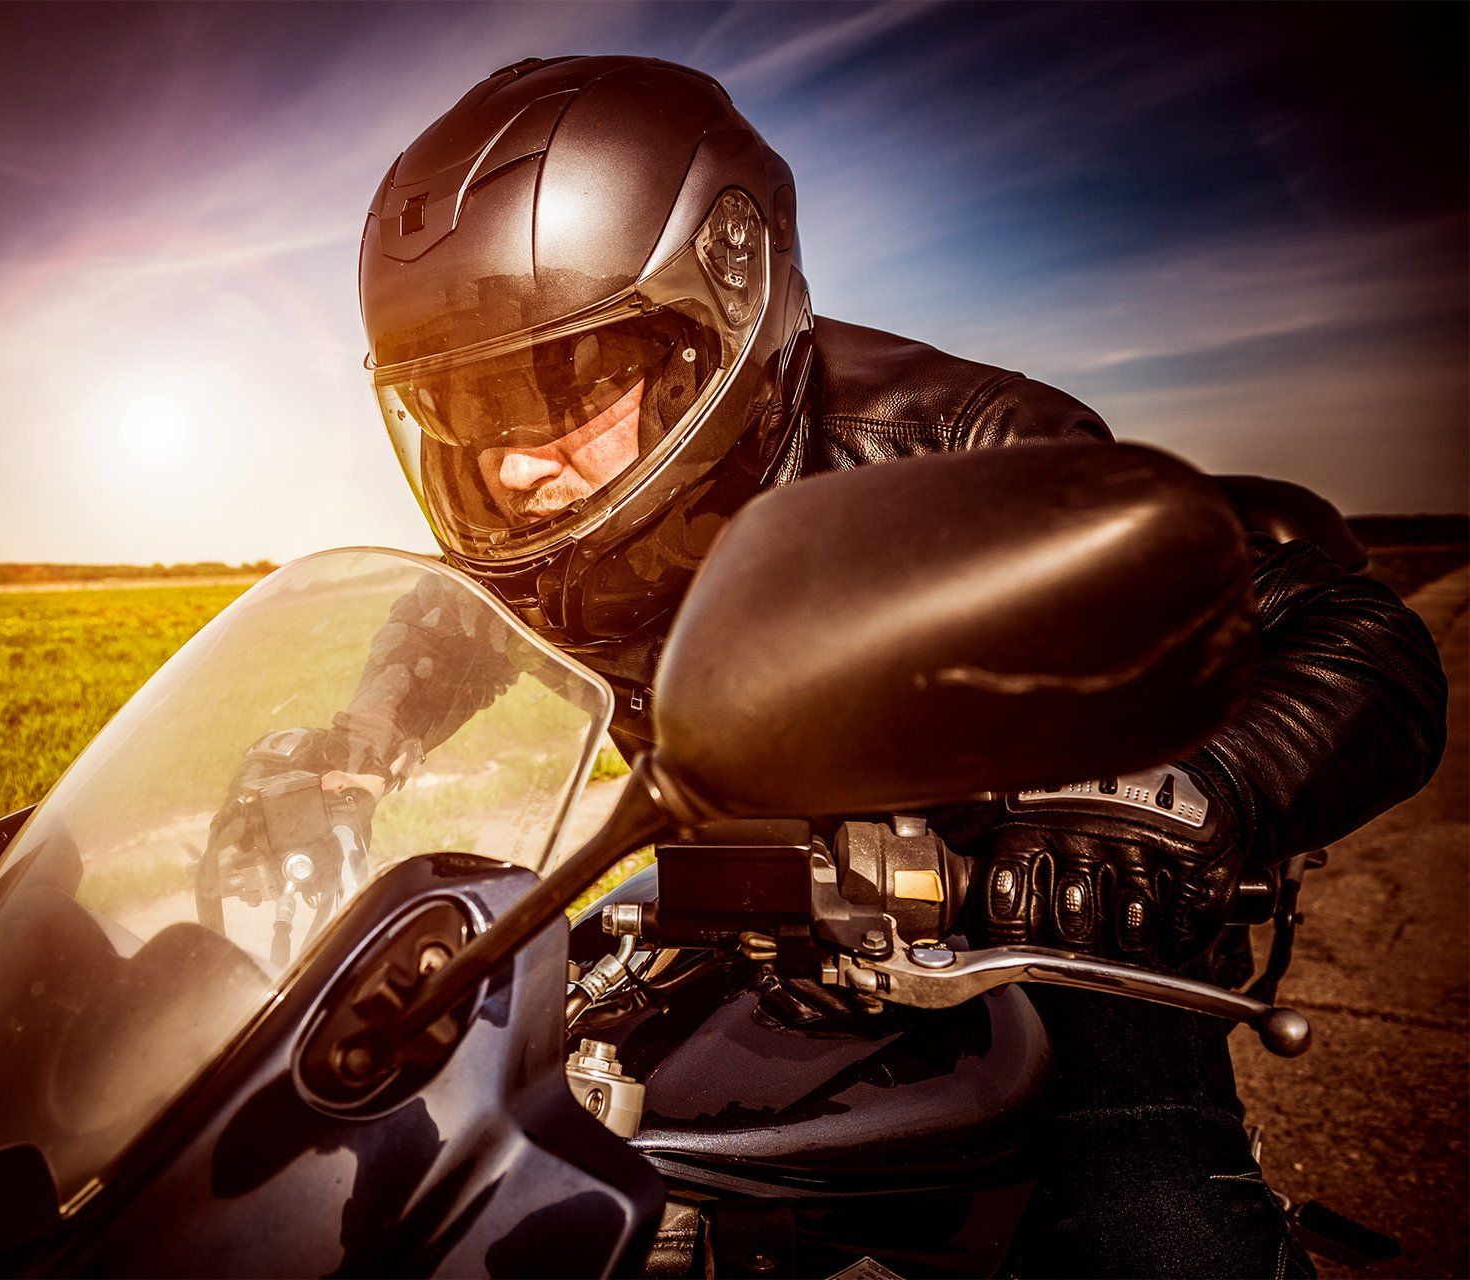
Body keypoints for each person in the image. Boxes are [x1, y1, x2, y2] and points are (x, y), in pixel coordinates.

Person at [269, 55, 1446, 1277]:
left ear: (716, 304)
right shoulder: (548, 513)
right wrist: (346, 757)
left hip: (1043, 928)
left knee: (1152, 1239)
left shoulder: (971, 449)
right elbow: (453, 624)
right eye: (468, 407)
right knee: (505, 1181)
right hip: (740, 905)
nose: (510, 467)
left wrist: (1187, 798)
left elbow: (1362, 639)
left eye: (561, 382)